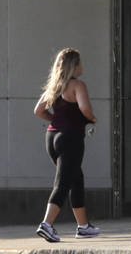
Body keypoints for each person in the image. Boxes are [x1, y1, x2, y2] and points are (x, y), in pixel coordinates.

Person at [33, 48, 100, 242]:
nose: (82, 67)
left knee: (75, 178)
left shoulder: (54, 86)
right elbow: (85, 108)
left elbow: (38, 110)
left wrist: (55, 118)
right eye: (80, 63)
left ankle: (83, 226)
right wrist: (92, 118)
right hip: (70, 137)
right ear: (74, 66)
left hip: (52, 137)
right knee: (63, 182)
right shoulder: (77, 85)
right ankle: (46, 224)